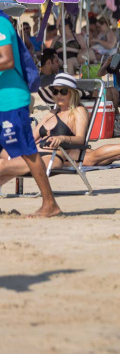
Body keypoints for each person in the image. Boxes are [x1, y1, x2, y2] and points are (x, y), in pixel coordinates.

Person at [0, 14, 62, 217]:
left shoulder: (1, 23)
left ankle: (49, 203)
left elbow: (7, 60)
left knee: (27, 150)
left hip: (11, 100)